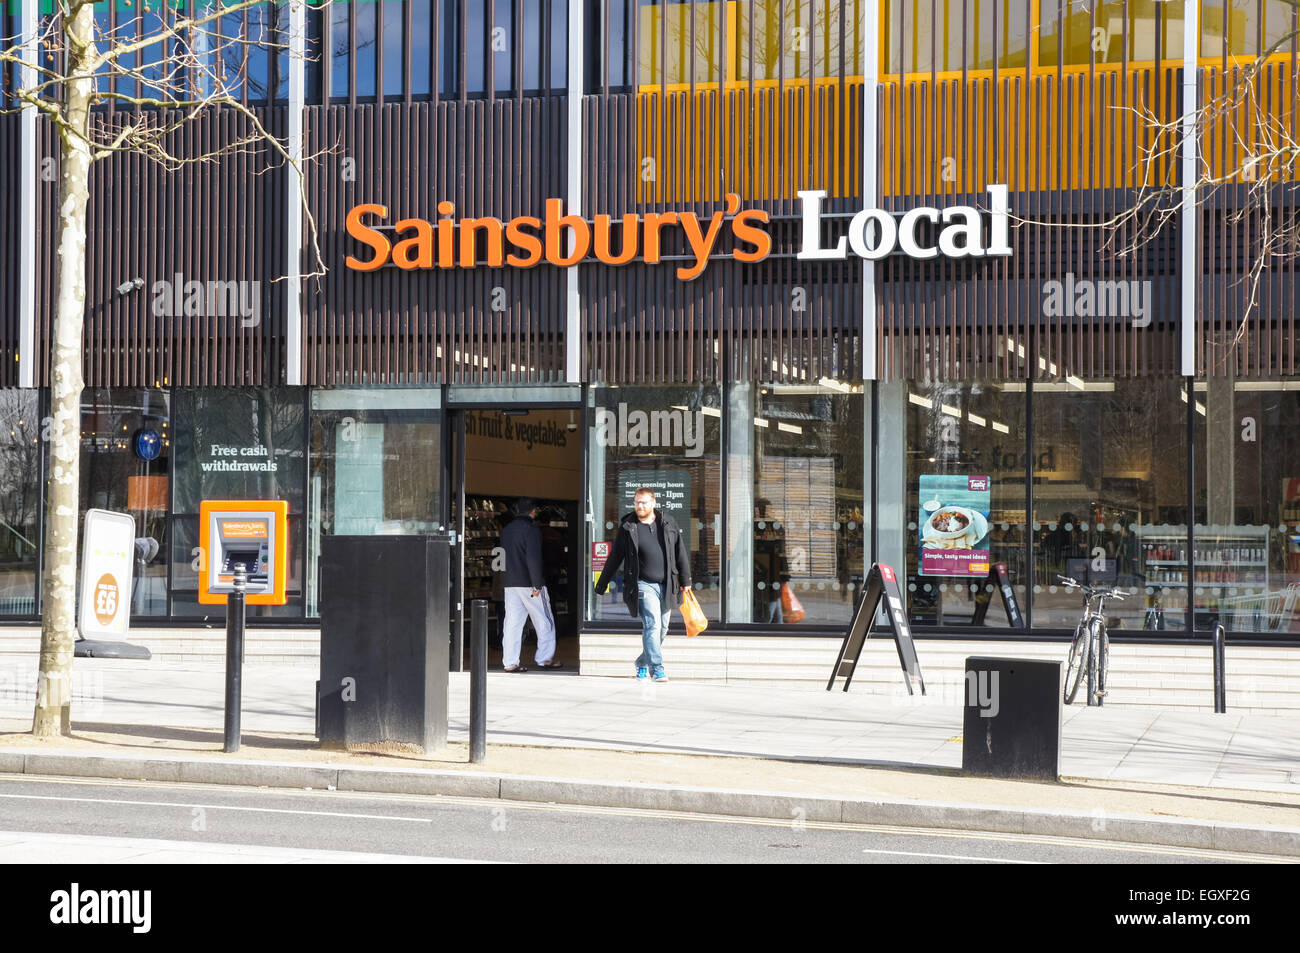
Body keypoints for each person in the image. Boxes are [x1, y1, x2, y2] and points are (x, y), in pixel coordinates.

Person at [594, 487, 692, 682]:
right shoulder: (628, 527)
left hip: (667, 585)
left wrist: (686, 579)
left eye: (644, 502)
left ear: (653, 503)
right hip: (643, 585)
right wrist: (602, 583)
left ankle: (641, 663)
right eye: (637, 502)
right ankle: (657, 669)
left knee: (662, 629)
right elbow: (615, 557)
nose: (640, 506)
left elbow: (680, 551)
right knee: (652, 625)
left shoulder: (668, 522)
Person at [500, 498, 560, 672]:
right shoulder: (531, 531)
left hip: (510, 583)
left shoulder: (507, 530)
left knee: (512, 623)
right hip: (529, 583)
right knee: (544, 620)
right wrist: (537, 584)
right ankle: (544, 658)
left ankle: (510, 662)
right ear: (533, 512)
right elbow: (533, 559)